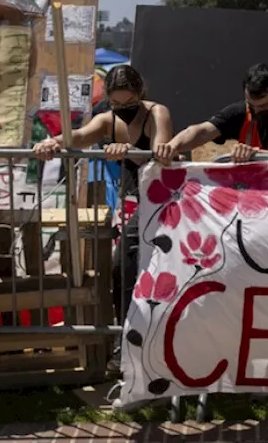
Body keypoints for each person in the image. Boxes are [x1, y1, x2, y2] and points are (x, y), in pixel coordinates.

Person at [31, 64, 172, 369]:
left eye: (129, 103)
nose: (123, 110)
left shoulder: (156, 112)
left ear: (141, 94)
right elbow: (79, 136)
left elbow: (162, 154)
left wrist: (130, 150)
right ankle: (126, 341)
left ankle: (153, 342)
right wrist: (52, 143)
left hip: (165, 201)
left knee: (142, 270)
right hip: (139, 203)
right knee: (122, 269)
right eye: (116, 103)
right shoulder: (106, 118)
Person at [154, 63, 268, 164]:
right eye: (251, 105)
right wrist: (172, 146)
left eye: (264, 105)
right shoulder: (239, 112)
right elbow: (201, 131)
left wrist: (255, 155)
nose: (257, 111)